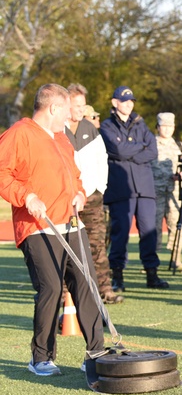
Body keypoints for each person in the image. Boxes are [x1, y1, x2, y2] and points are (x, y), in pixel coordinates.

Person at [0, 84, 106, 378]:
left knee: (86, 283)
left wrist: (80, 195)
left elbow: (75, 176)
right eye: (68, 110)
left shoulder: (61, 138)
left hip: (71, 223)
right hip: (37, 227)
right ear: (53, 108)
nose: (72, 117)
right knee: (51, 288)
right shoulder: (20, 133)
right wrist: (27, 196)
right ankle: (41, 357)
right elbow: (2, 172)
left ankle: (95, 351)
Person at [101, 85, 169, 291]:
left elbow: (153, 150)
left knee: (149, 231)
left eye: (131, 101)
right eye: (124, 100)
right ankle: (118, 277)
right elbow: (117, 150)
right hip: (121, 188)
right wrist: (138, 147)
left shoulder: (141, 123)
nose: (129, 104)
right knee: (120, 233)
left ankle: (152, 275)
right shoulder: (106, 126)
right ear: (115, 103)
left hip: (144, 186)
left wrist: (129, 150)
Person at [64, 83, 121, 305]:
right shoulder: (56, 129)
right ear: (66, 105)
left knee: (97, 245)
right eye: (76, 105)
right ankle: (64, 296)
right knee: (66, 248)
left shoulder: (90, 128)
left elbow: (101, 159)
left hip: (92, 198)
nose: (81, 109)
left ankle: (104, 289)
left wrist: (100, 187)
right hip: (66, 202)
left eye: (82, 104)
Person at [153, 112, 182, 270]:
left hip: (174, 193)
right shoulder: (151, 144)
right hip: (155, 192)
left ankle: (176, 259)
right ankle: (152, 260)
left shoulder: (179, 146)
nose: (166, 129)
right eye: (163, 126)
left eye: (170, 126)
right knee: (154, 226)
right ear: (158, 127)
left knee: (177, 224)